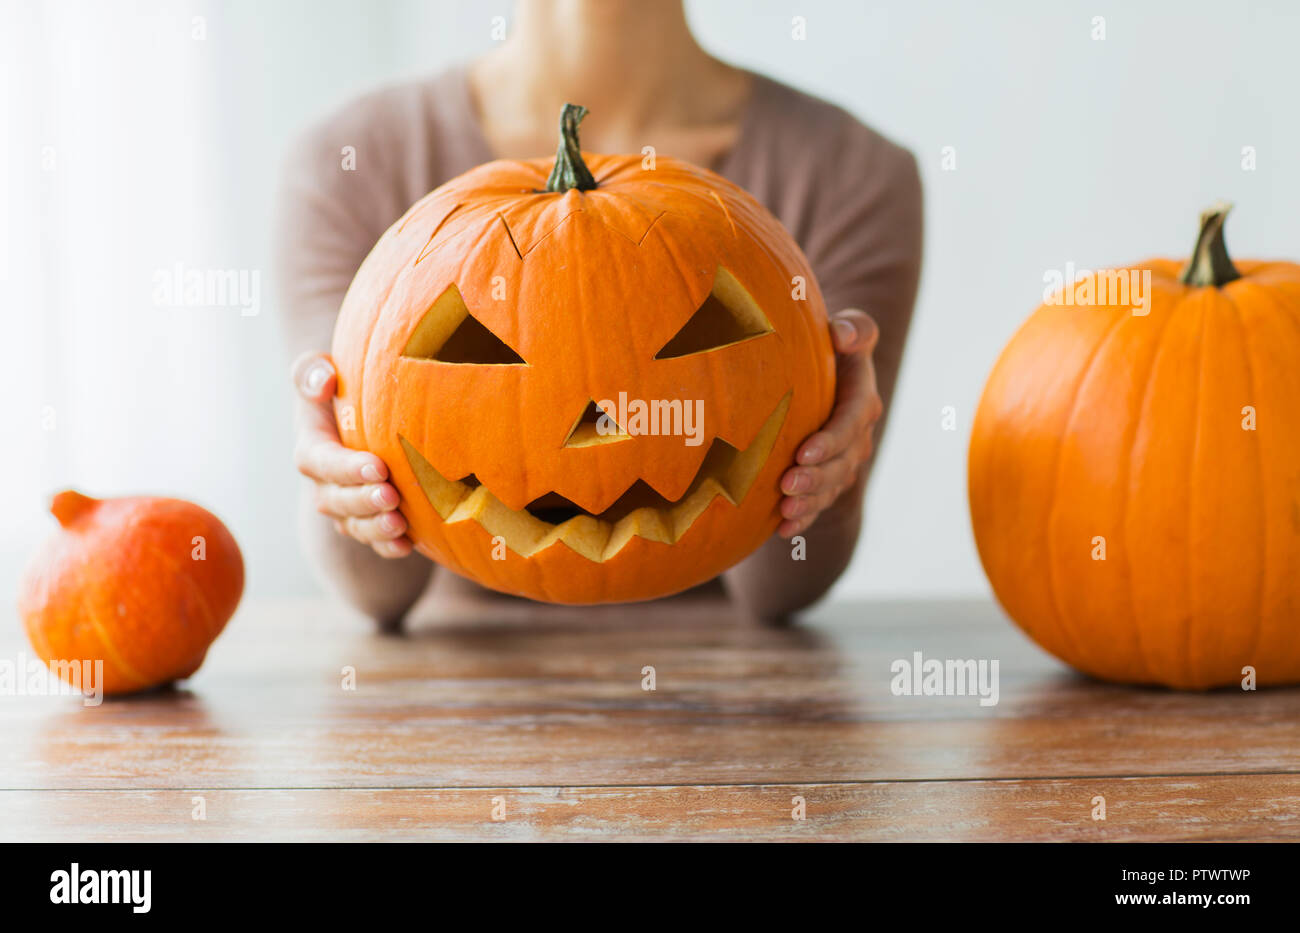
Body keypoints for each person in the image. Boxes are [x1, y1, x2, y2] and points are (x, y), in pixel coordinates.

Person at [277, 0, 922, 626]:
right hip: (456, 696)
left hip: (730, 691)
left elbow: (784, 589)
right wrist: (348, 490)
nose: (596, 427)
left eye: (695, 338)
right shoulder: (345, 161)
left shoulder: (855, 173)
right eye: (481, 346)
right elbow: (376, 595)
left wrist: (828, 473)